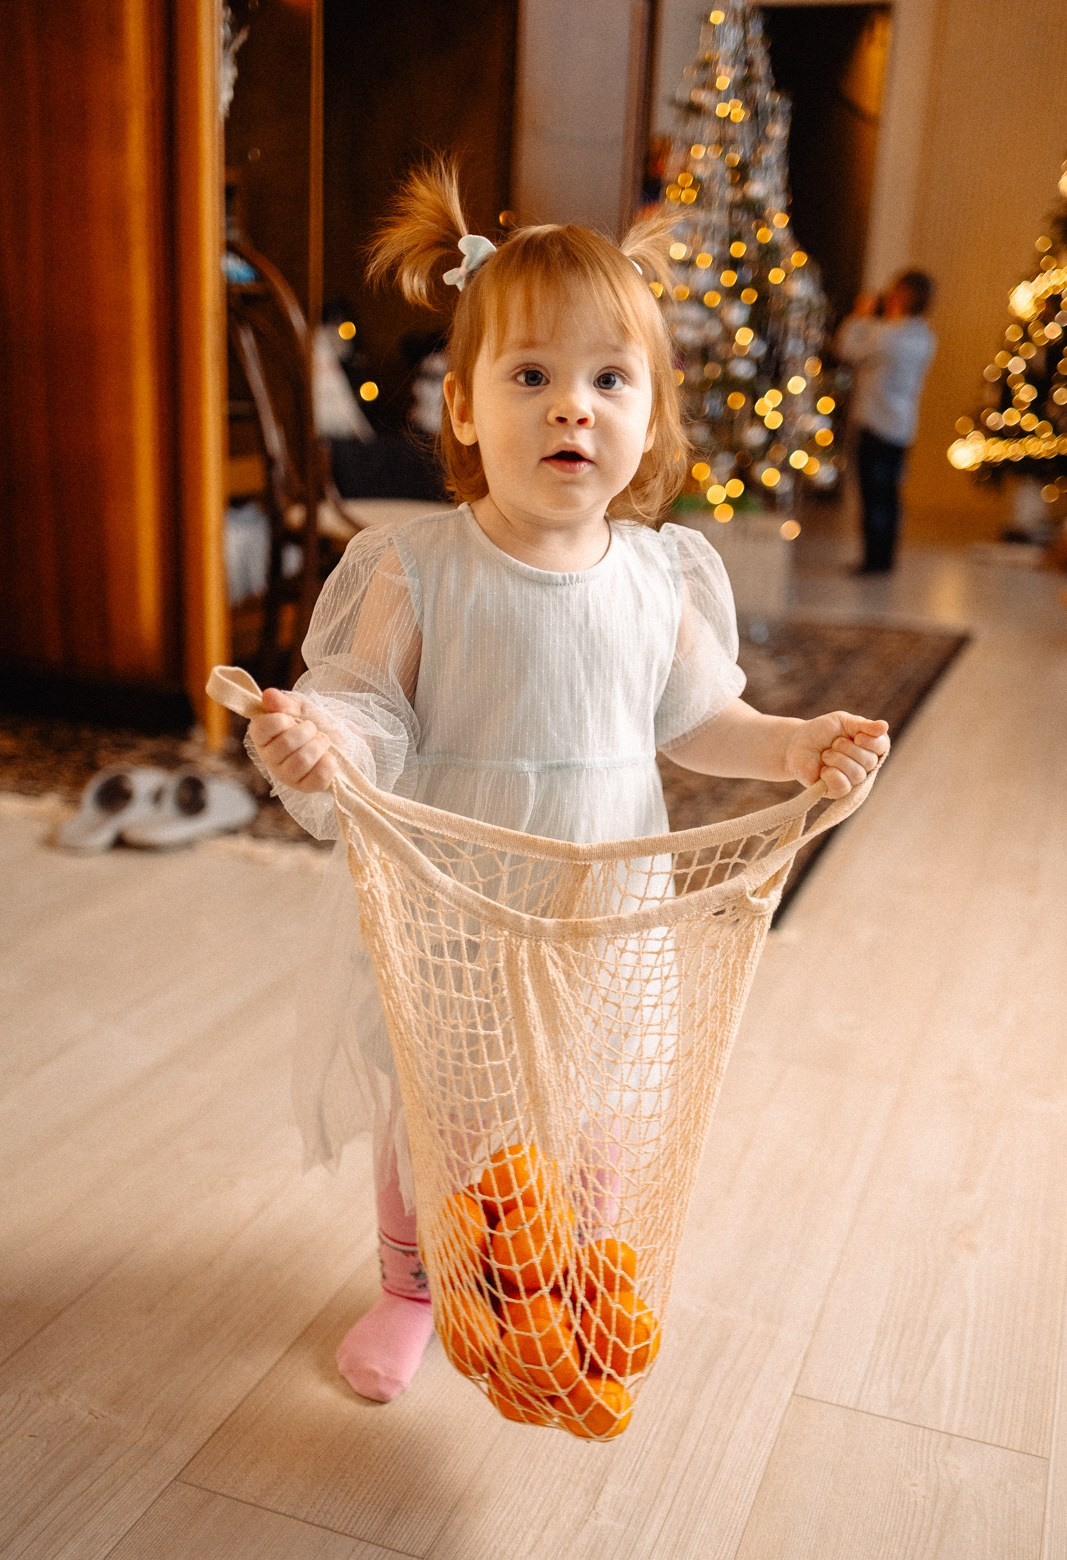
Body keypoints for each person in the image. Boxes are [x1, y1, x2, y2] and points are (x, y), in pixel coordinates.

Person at [246, 160, 890, 1404]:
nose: (570, 410)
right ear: (467, 412)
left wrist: (796, 739)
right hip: (449, 904)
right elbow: (369, 707)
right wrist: (319, 736)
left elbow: (705, 719)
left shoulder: (656, 579)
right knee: (430, 1102)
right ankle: (410, 1287)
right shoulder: (417, 566)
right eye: (529, 376)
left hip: (596, 905)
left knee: (587, 1105)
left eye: (608, 380)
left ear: (650, 417)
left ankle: (572, 1269)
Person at [835, 269, 937, 574]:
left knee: (873, 495)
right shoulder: (925, 338)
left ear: (903, 296)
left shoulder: (887, 335)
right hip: (903, 424)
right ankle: (884, 558)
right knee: (890, 495)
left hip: (874, 422)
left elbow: (846, 350)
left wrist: (861, 315)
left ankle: (873, 561)